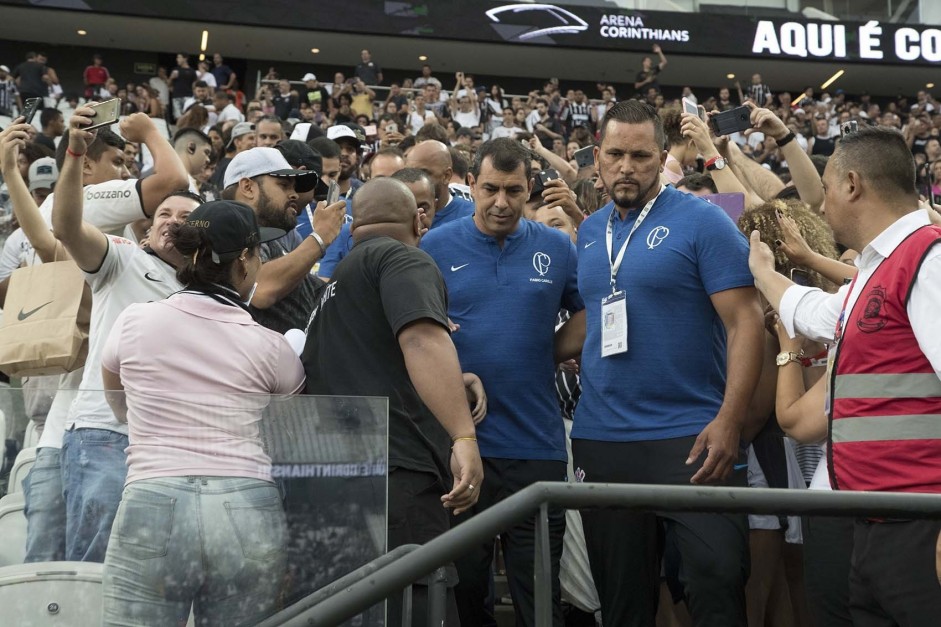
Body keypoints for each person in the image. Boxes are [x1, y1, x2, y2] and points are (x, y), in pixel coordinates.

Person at [555, 100, 764, 626]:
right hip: (603, 439)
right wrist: (525, 356)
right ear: (597, 157)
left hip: (692, 436)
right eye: (616, 154)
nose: (627, 166)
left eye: (641, 156)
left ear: (662, 156)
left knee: (716, 585)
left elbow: (746, 322)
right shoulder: (591, 232)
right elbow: (598, 316)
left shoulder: (704, 221)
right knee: (624, 606)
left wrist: (730, 420)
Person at [748, 124, 941, 627]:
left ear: (852, 184)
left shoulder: (929, 258)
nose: (821, 204)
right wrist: (765, 274)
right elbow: (825, 315)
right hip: (875, 523)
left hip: (921, 526)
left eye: (827, 190)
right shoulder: (883, 266)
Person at [99, 200, 301, 626]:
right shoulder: (272, 345)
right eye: (259, 252)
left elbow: (119, 405)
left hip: (153, 494)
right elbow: (288, 428)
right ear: (245, 260)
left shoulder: (135, 321)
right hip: (246, 502)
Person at [302, 177, 483, 627]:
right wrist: (463, 434)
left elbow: (374, 360)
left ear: (352, 226)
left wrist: (452, 380)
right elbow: (421, 339)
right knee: (416, 609)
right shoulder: (402, 257)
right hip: (395, 478)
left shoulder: (335, 284)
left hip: (333, 479)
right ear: (420, 220)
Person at [421, 138, 583, 627]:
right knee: (465, 591)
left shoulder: (555, 246)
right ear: (470, 185)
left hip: (537, 446)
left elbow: (589, 310)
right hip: (460, 445)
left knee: (539, 596)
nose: (501, 202)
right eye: (490, 188)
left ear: (529, 188)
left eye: (514, 191)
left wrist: (545, 353)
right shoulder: (434, 246)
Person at [51, 105, 197, 564]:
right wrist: (75, 154)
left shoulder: (207, 293)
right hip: (104, 435)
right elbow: (67, 227)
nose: (172, 219)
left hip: (169, 445)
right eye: (163, 212)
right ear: (149, 229)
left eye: (185, 216)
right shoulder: (123, 258)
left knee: (149, 571)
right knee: (95, 567)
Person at [220, 146, 344, 333]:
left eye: (294, 187)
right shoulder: (226, 231)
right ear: (247, 187)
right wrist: (320, 237)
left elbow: (310, 287)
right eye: (284, 185)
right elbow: (260, 289)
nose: (294, 194)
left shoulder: (273, 239)